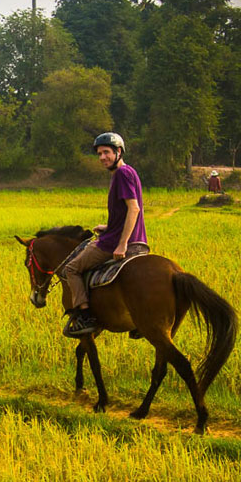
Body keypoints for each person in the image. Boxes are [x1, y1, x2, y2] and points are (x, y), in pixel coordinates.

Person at [63, 132, 147, 337]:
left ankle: (84, 316)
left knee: (71, 268)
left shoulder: (122, 174)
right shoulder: (129, 172)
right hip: (135, 239)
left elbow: (133, 209)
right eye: (99, 154)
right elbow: (125, 212)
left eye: (106, 152)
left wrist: (122, 244)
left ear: (118, 152)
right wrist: (109, 227)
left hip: (116, 244)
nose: (102, 157)